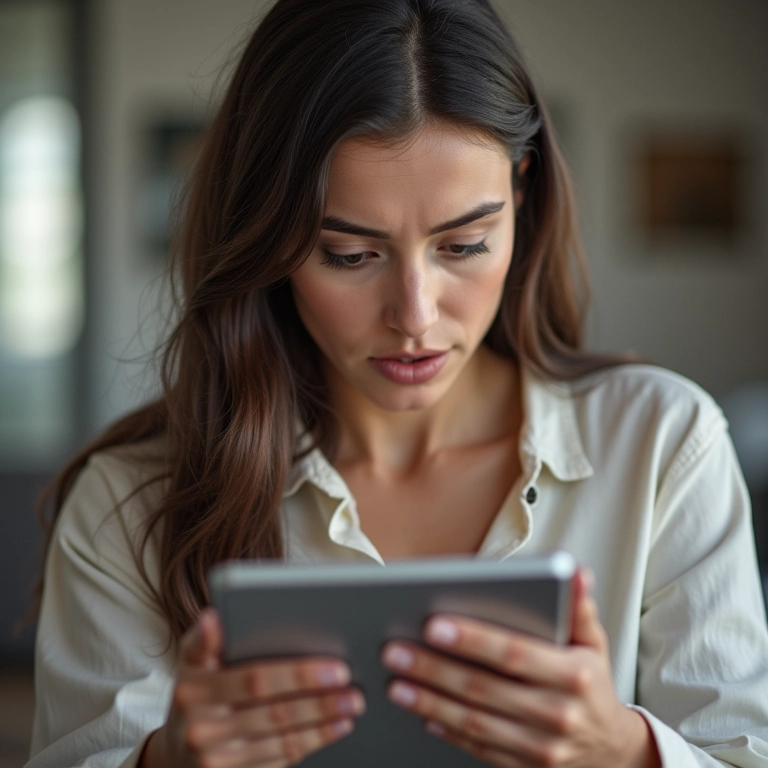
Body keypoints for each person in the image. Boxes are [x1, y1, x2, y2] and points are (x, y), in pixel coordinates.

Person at [25, 0, 768, 766]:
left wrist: (626, 751)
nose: (414, 315)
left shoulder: (663, 445)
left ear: (522, 192)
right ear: (269, 242)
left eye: (466, 244)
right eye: (350, 255)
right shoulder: (132, 499)